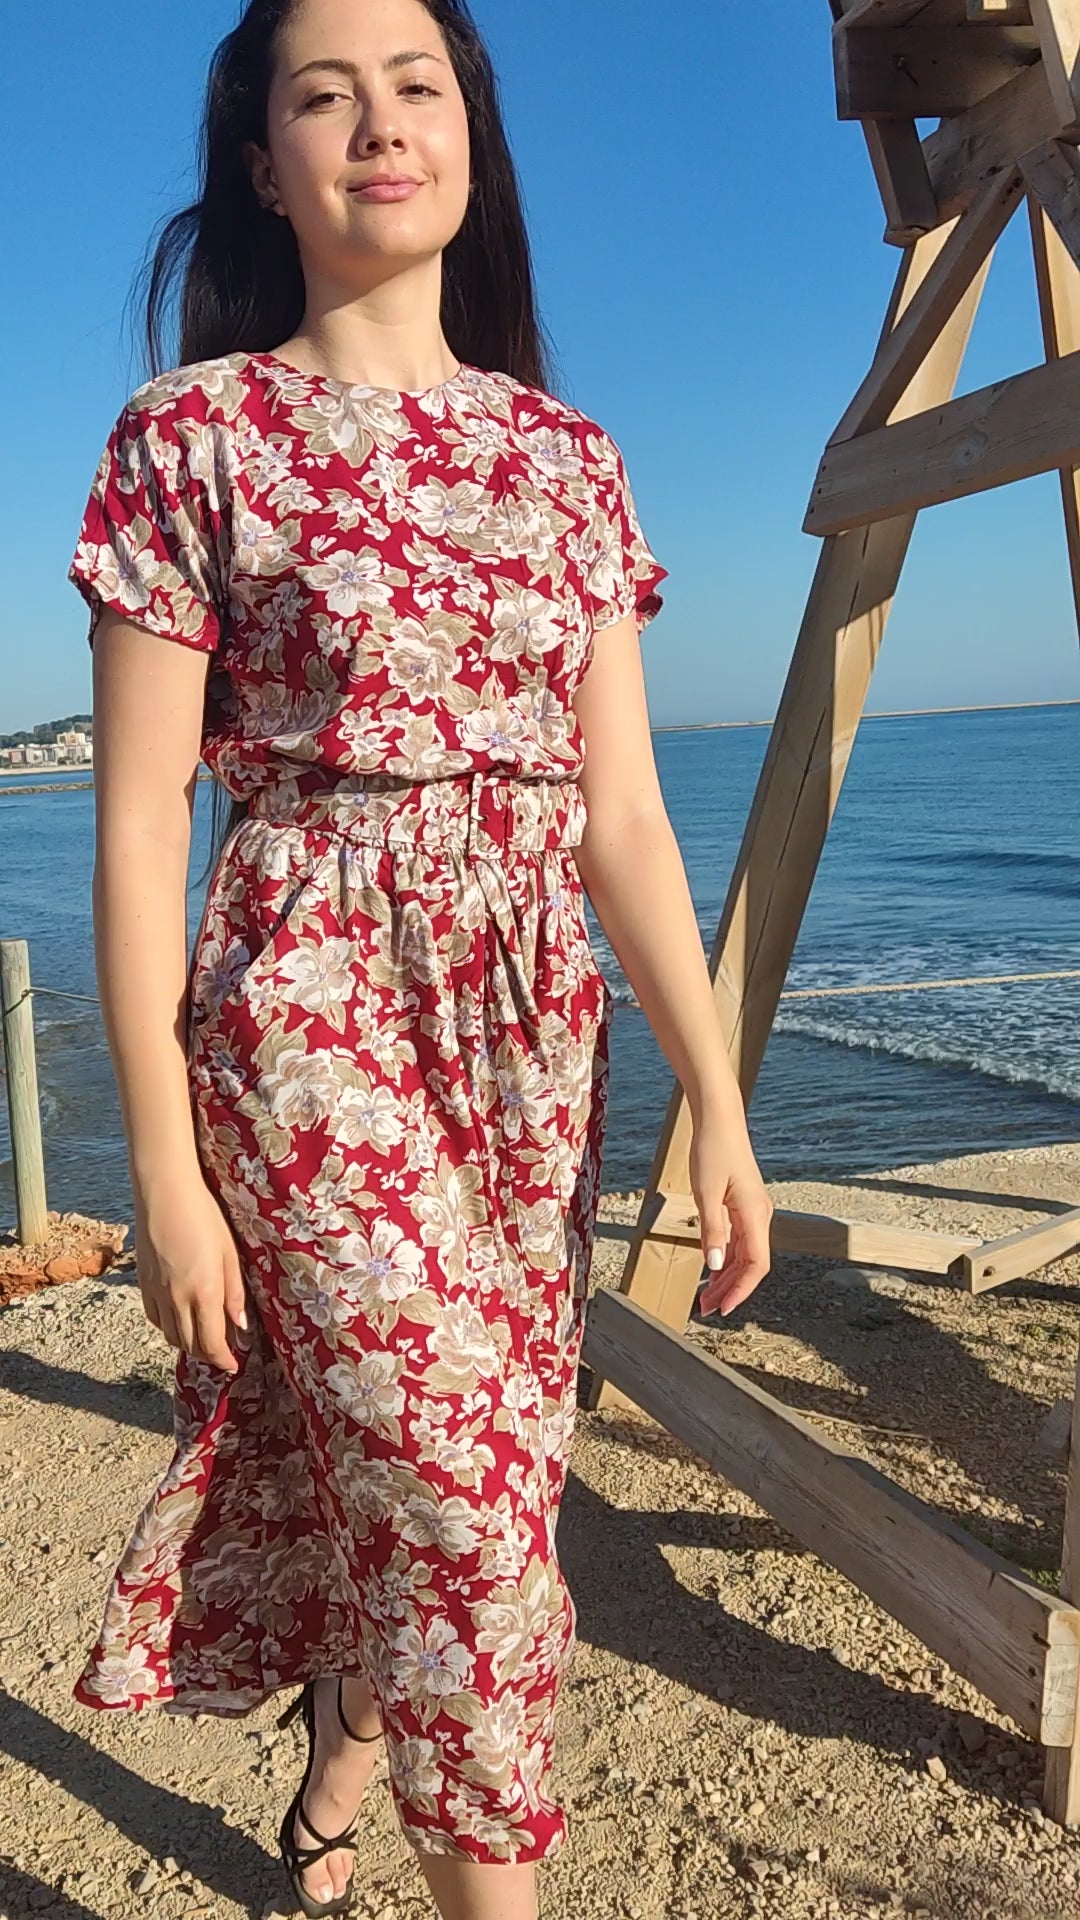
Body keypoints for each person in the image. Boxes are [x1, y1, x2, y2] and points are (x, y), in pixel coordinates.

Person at [66, 1, 774, 1916]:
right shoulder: (193, 435)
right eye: (326, 95)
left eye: (420, 87)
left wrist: (719, 1101)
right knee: (475, 1527)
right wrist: (159, 1168)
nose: (382, 125)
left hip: (531, 1048)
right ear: (259, 161)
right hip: (305, 1013)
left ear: (472, 137)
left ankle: (339, 1779)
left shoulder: (569, 461)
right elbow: (139, 821)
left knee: (470, 1472)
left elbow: (620, 816)